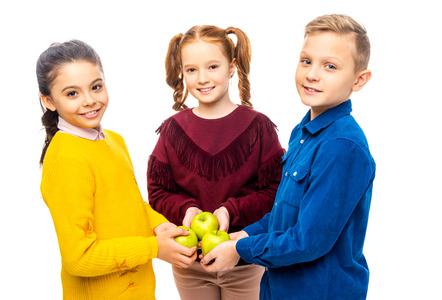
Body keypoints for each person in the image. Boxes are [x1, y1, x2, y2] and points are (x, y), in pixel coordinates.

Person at [201, 14, 376, 300]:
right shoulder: (305, 132)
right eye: (306, 61)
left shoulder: (342, 147)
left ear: (359, 80)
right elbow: (286, 217)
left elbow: (309, 241)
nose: (312, 74)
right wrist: (241, 236)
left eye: (330, 66)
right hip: (280, 288)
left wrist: (239, 251)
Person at [38, 39, 196, 299]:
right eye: (72, 93)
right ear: (49, 101)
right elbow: (79, 258)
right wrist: (153, 248)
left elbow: (130, 206)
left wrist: (158, 225)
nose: (89, 100)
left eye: (96, 87)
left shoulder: (113, 140)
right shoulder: (65, 158)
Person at [147, 25, 284, 300]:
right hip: (188, 264)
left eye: (212, 66)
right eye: (191, 70)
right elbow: (158, 192)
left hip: (244, 261)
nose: (202, 78)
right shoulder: (173, 130)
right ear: (182, 72)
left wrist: (229, 212)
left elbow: (275, 193)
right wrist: (187, 210)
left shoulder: (259, 127)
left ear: (231, 67)